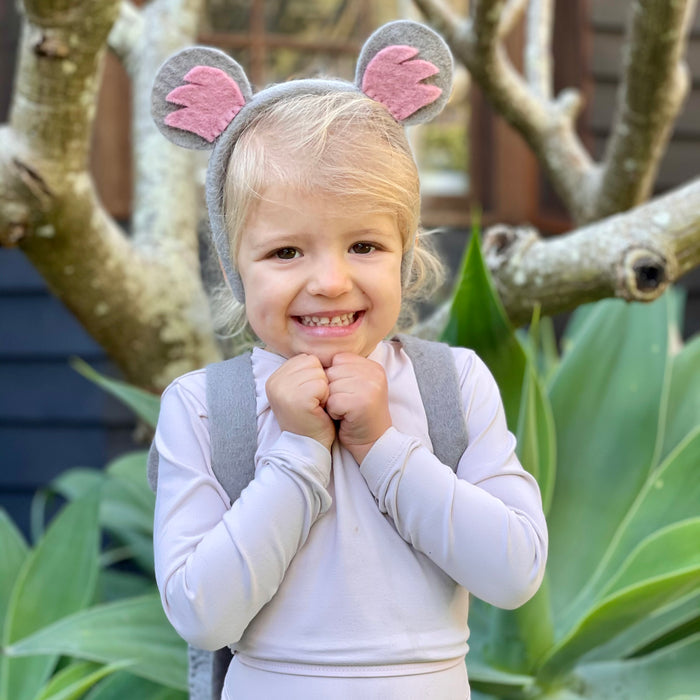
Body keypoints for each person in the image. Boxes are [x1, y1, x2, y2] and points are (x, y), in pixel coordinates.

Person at [149, 20, 548, 700]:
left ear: (406, 253)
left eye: (364, 246)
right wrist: (299, 455)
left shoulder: (452, 387)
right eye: (285, 252)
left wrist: (383, 446)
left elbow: (515, 573)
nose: (330, 280)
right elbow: (201, 615)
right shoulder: (204, 407)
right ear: (234, 266)